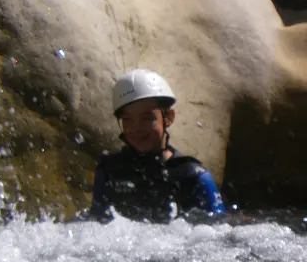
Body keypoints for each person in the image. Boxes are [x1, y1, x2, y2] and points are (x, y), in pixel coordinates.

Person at [88, 69, 225, 222]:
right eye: (127, 119)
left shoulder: (192, 176)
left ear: (168, 118)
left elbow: (218, 234)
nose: (136, 128)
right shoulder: (109, 172)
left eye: (147, 118)